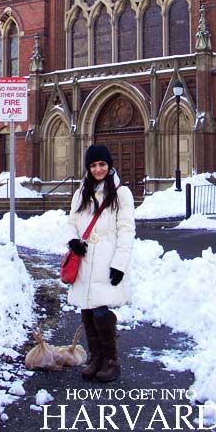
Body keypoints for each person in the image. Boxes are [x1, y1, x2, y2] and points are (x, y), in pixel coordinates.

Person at [65, 144, 135, 383]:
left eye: (102, 164)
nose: (98, 169)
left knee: (101, 309)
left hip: (107, 260)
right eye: (93, 165)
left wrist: (120, 264)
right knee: (86, 310)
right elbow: (72, 222)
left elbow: (127, 231)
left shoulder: (121, 193)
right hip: (85, 261)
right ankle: (95, 358)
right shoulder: (80, 192)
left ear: (109, 165)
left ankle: (111, 360)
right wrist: (72, 240)